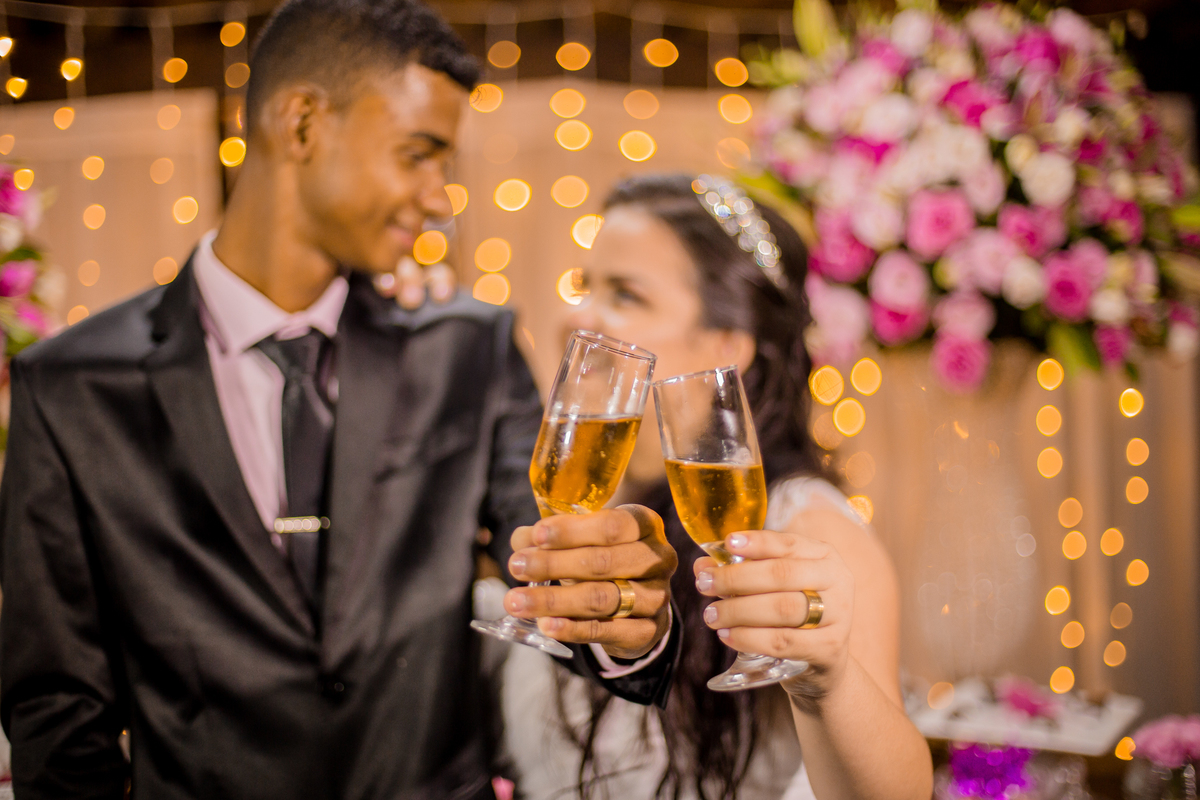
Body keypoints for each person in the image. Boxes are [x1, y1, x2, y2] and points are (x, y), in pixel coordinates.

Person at [0, 3, 678, 798]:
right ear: (301, 124)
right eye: (419, 155)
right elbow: (58, 716)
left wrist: (628, 617)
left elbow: (554, 556)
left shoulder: (470, 348)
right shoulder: (73, 386)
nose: (439, 199)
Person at [502, 175, 933, 800]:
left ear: (726, 345)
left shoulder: (807, 534)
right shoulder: (586, 500)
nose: (577, 315)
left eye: (624, 294)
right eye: (584, 285)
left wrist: (826, 682)